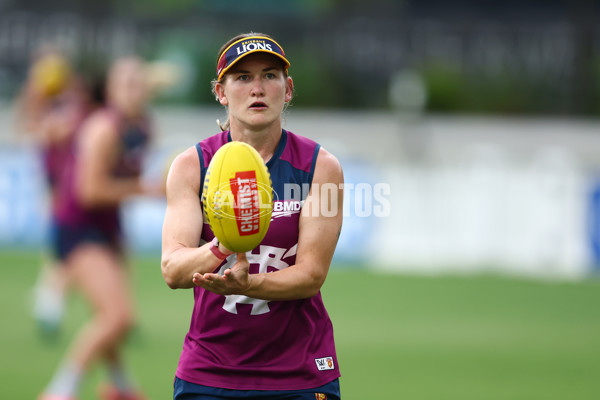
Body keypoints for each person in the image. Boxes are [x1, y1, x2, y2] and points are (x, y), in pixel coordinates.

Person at [161, 32, 344, 399]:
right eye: (242, 77)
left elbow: (311, 276)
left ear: (288, 89)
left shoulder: (320, 168)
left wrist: (247, 285)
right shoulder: (191, 166)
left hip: (301, 373)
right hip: (209, 371)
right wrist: (221, 247)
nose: (257, 88)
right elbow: (173, 271)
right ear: (221, 92)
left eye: (269, 76)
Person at [38, 56, 161, 400]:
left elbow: (127, 179)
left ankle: (119, 384)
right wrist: (147, 189)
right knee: (118, 316)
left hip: (108, 230)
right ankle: (60, 391)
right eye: (125, 83)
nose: (133, 90)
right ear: (110, 90)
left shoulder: (143, 128)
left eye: (139, 82)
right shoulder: (103, 128)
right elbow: (89, 192)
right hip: (78, 228)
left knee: (111, 315)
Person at [15, 49, 97, 336]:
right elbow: (38, 128)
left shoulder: (70, 107)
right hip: (59, 189)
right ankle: (49, 302)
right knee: (63, 251)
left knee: (61, 252)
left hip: (66, 188)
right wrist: (35, 92)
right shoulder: (53, 112)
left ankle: (49, 300)